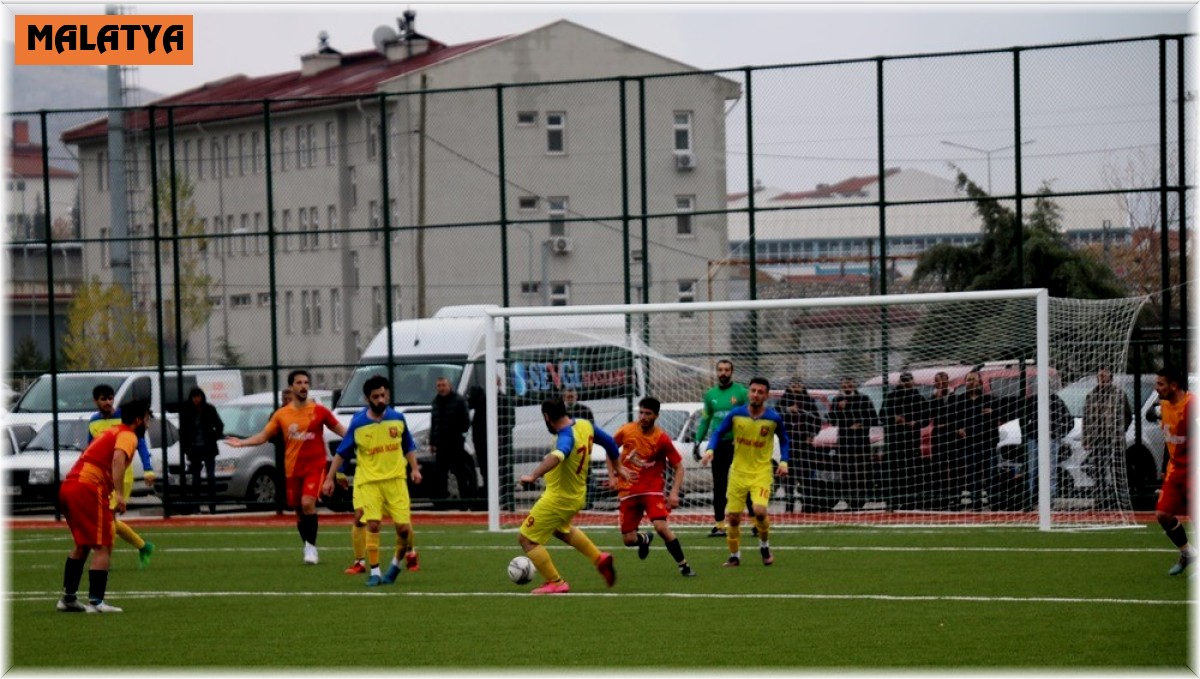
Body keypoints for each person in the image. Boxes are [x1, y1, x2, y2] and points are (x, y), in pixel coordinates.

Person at [227, 370, 346, 565]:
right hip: (292, 469)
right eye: (299, 382)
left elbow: (343, 432)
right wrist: (242, 443)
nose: (303, 386)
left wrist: (361, 438)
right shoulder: (282, 414)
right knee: (299, 510)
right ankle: (307, 546)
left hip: (314, 467)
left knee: (308, 504)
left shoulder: (320, 411)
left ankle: (311, 548)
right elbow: (263, 436)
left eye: (306, 382)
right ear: (291, 387)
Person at [323, 375, 423, 586]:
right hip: (369, 483)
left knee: (404, 530)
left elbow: (409, 446)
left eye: (383, 395)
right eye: (376, 396)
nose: (380, 400)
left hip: (396, 481)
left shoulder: (397, 418)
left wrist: (414, 468)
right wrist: (330, 478)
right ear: (367, 398)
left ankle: (396, 564)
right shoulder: (358, 423)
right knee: (373, 524)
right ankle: (374, 571)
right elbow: (342, 452)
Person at [517, 397, 622, 594]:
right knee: (560, 530)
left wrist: (533, 475)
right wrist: (619, 469)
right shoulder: (585, 424)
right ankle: (599, 558)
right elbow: (610, 442)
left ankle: (555, 582)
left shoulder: (566, 436)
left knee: (526, 539)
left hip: (558, 498)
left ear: (547, 417)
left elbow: (559, 454)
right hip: (577, 495)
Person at [57, 400, 152, 613]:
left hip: (70, 486)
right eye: (146, 419)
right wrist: (119, 494)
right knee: (104, 545)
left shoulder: (112, 431)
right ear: (138, 420)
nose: (148, 423)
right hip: (88, 488)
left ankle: (68, 598)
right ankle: (96, 602)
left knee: (83, 545)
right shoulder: (128, 435)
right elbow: (118, 459)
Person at [705, 377, 790, 567]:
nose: (756, 395)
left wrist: (784, 461)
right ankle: (734, 556)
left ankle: (764, 546)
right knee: (733, 517)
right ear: (749, 392)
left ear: (766, 396)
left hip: (761, 472)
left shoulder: (773, 418)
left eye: (760, 392)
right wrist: (711, 448)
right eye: (753, 391)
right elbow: (718, 432)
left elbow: (784, 439)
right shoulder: (736, 414)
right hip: (738, 473)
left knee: (759, 512)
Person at [610, 397, 695, 576]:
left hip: (652, 490)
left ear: (656, 415)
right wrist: (613, 475)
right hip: (628, 490)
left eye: (648, 413)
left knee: (661, 527)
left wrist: (674, 493)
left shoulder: (661, 439)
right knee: (628, 540)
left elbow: (679, 467)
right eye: (641, 412)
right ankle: (644, 539)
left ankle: (684, 565)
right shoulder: (626, 430)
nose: (643, 416)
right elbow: (610, 451)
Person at [87, 384, 156, 568]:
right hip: (102, 477)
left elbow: (139, 442)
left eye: (111, 398)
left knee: (107, 519)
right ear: (96, 401)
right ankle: (143, 546)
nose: (108, 402)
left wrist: (148, 468)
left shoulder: (124, 418)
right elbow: (90, 448)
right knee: (110, 520)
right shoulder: (93, 422)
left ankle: (104, 560)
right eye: (104, 399)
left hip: (121, 476)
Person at [693, 359, 749, 537]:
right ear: (716, 372)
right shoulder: (710, 395)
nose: (723, 373)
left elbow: (751, 417)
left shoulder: (741, 392)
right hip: (719, 445)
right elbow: (705, 419)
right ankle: (719, 525)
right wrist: (697, 441)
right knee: (719, 485)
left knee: (744, 483)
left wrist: (744, 438)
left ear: (732, 372)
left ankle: (756, 522)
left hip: (738, 445)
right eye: (720, 370)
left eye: (726, 370)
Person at [1152, 367, 1193, 575]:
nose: (1156, 388)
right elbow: (1170, 441)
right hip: (1175, 469)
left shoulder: (1192, 406)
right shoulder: (1164, 405)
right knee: (1163, 514)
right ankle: (1188, 553)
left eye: (1160, 384)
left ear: (1174, 386)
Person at [880, 372, 930, 510]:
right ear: (900, 382)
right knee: (893, 472)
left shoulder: (918, 398)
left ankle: (911, 501)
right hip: (894, 442)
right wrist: (894, 419)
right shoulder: (891, 397)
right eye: (904, 380)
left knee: (911, 472)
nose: (906, 383)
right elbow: (882, 416)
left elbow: (926, 418)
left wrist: (915, 422)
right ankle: (892, 501)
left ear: (913, 381)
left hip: (911, 441)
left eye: (909, 380)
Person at [826, 376, 878, 509]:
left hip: (861, 443)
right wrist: (839, 409)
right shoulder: (837, 400)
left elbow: (873, 419)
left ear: (854, 384)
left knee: (861, 472)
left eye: (850, 382)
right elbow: (832, 421)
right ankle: (849, 501)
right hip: (845, 443)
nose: (848, 384)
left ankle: (860, 501)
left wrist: (861, 424)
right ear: (841, 384)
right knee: (846, 472)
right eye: (845, 382)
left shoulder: (864, 399)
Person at [949, 371, 999, 509]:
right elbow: (951, 419)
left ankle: (993, 501)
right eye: (968, 380)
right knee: (972, 473)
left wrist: (993, 413)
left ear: (980, 382)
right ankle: (976, 502)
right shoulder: (959, 400)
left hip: (987, 441)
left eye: (973, 379)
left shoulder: (990, 399)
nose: (971, 382)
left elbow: (1003, 413)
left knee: (990, 472)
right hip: (968, 442)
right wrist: (958, 429)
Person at [1082, 368, 1133, 498]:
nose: (1102, 377)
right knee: (1098, 469)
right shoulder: (1091, 395)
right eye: (1100, 375)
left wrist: (1121, 430)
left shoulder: (1119, 394)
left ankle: (1120, 497)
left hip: (1114, 437)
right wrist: (1086, 438)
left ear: (1110, 377)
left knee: (1117, 468)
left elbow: (1127, 415)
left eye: (1105, 374)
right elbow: (1086, 419)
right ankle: (1100, 497)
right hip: (1098, 438)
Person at [429, 376, 478, 502]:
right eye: (439, 386)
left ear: (449, 386)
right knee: (440, 473)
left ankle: (465, 501)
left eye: (443, 385)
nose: (441, 388)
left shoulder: (459, 401)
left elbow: (466, 422)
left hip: (455, 443)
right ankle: (441, 501)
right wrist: (432, 441)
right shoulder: (435, 402)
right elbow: (434, 423)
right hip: (440, 443)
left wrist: (457, 433)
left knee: (460, 472)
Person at [777, 378, 822, 512]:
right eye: (793, 384)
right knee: (788, 475)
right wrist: (787, 410)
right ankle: (789, 505)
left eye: (798, 384)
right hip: (788, 443)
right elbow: (774, 416)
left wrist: (811, 435)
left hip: (804, 444)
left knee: (805, 475)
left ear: (803, 386)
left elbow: (817, 420)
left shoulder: (809, 401)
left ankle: (806, 505)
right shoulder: (783, 401)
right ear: (789, 386)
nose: (796, 386)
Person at [177, 386, 225, 514]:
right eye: (194, 397)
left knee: (210, 477)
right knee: (196, 479)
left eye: (198, 396)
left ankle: (212, 506)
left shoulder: (209, 409)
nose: (196, 399)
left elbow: (219, 425)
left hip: (208, 448)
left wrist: (213, 437)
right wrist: (187, 448)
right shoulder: (186, 411)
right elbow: (182, 431)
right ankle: (196, 506)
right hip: (195, 449)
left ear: (202, 397)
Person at [1022, 388, 1073, 506]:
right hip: (1034, 440)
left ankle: (1049, 500)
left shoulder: (1057, 401)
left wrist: (1058, 434)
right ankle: (1031, 499)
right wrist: (1029, 432)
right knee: (1033, 470)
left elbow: (1069, 421)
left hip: (1052, 440)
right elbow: (1023, 419)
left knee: (1051, 470)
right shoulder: (1033, 400)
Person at [468, 379, 515, 500]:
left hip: (498, 443)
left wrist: (500, 436)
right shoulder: (483, 399)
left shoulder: (503, 399)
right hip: (482, 442)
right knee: (486, 469)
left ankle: (504, 496)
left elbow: (509, 421)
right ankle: (489, 496)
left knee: (502, 469)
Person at [928, 371, 957, 509]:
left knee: (953, 465)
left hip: (951, 434)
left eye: (943, 381)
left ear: (947, 381)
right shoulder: (933, 398)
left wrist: (948, 424)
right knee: (938, 466)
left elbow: (955, 414)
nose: (940, 384)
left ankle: (954, 496)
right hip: (938, 435)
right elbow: (931, 415)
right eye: (937, 381)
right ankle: (940, 497)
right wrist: (937, 399)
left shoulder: (954, 396)